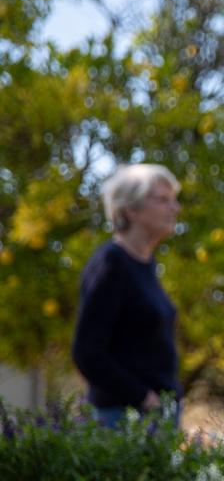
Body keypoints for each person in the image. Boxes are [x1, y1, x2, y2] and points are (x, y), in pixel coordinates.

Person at [72, 163, 183, 429]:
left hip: (155, 417)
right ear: (130, 209)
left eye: (174, 200)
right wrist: (144, 398)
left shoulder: (146, 264)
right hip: (122, 420)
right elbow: (87, 353)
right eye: (162, 200)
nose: (174, 208)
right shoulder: (111, 264)